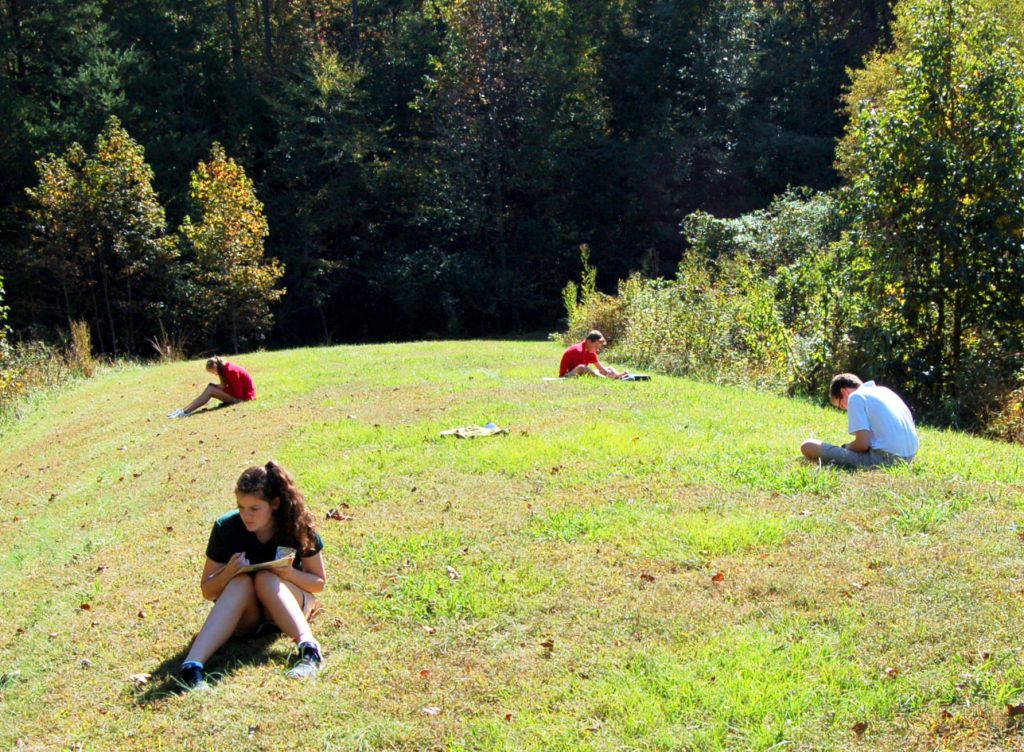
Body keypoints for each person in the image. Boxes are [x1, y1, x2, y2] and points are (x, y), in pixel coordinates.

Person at [177, 461, 326, 690]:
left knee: (265, 579)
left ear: (275, 504)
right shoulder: (226, 528)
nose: (247, 516)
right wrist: (227, 573)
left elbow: (318, 583)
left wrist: (290, 573)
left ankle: (309, 650)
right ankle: (192, 666)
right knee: (241, 582)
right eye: (241, 507)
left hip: (286, 604)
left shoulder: (297, 523)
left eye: (254, 509)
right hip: (247, 617)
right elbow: (207, 591)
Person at [801, 373, 919, 468]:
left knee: (808, 446)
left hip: (886, 460)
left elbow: (862, 445)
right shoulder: (884, 391)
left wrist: (845, 447)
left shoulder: (856, 397)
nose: (846, 410)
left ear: (844, 392)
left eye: (842, 406)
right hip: (909, 456)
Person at [168, 356, 256, 418]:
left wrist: (220, 389)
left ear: (215, 367)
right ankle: (184, 410)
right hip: (240, 396)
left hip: (244, 398)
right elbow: (228, 387)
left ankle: (186, 412)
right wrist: (219, 387)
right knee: (211, 386)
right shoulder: (225, 369)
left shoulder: (231, 371)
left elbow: (239, 394)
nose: (214, 374)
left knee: (211, 389)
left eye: (213, 372)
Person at [559, 330, 629, 379]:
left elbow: (601, 369)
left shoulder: (590, 351)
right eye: (596, 346)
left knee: (609, 368)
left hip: (579, 374)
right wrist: (605, 375)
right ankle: (606, 379)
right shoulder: (578, 350)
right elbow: (582, 372)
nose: (597, 349)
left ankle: (617, 376)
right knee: (582, 367)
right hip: (566, 376)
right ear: (589, 342)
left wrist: (609, 372)